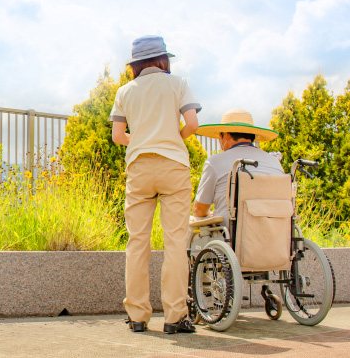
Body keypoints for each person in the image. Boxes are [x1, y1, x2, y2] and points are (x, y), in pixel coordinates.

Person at [110, 35, 201, 334]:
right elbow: (192, 125)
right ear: (164, 60)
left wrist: (140, 140)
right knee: (175, 241)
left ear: (135, 64)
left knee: (137, 241)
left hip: (139, 166)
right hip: (174, 164)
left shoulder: (125, 91)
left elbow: (117, 136)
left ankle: (137, 316)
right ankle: (175, 317)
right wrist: (173, 138)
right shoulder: (178, 84)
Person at [193, 108, 283, 226]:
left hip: (232, 238)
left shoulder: (215, 162)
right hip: (276, 237)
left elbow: (199, 210)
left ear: (225, 135)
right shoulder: (275, 163)